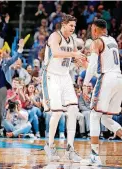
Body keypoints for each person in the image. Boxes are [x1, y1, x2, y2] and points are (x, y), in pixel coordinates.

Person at [82, 19, 122, 166]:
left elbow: (95, 65)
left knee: (94, 115)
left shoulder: (97, 42)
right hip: (119, 79)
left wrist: (84, 84)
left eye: (92, 29)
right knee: (106, 119)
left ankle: (95, 155)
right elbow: (102, 64)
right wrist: (87, 64)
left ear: (95, 29)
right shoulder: (112, 40)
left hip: (107, 79)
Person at [42, 14, 84, 162]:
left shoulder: (72, 39)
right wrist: (74, 53)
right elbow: (56, 53)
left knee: (73, 109)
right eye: (71, 25)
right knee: (58, 112)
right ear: (64, 24)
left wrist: (80, 61)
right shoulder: (55, 36)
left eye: (74, 26)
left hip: (65, 76)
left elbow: (73, 58)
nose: (73, 28)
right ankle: (50, 144)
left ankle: (70, 148)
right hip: (51, 76)